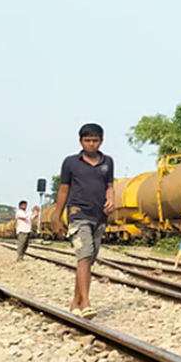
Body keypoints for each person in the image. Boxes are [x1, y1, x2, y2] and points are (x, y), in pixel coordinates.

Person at [53, 124, 115, 319]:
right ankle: (86, 302)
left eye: (95, 140)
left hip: (99, 215)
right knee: (84, 255)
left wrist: (112, 198)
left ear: (101, 141)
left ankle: (76, 301)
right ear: (80, 141)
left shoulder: (108, 162)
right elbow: (63, 190)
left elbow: (110, 186)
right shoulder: (71, 163)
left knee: (88, 260)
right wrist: (57, 217)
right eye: (87, 140)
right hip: (78, 214)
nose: (91, 144)